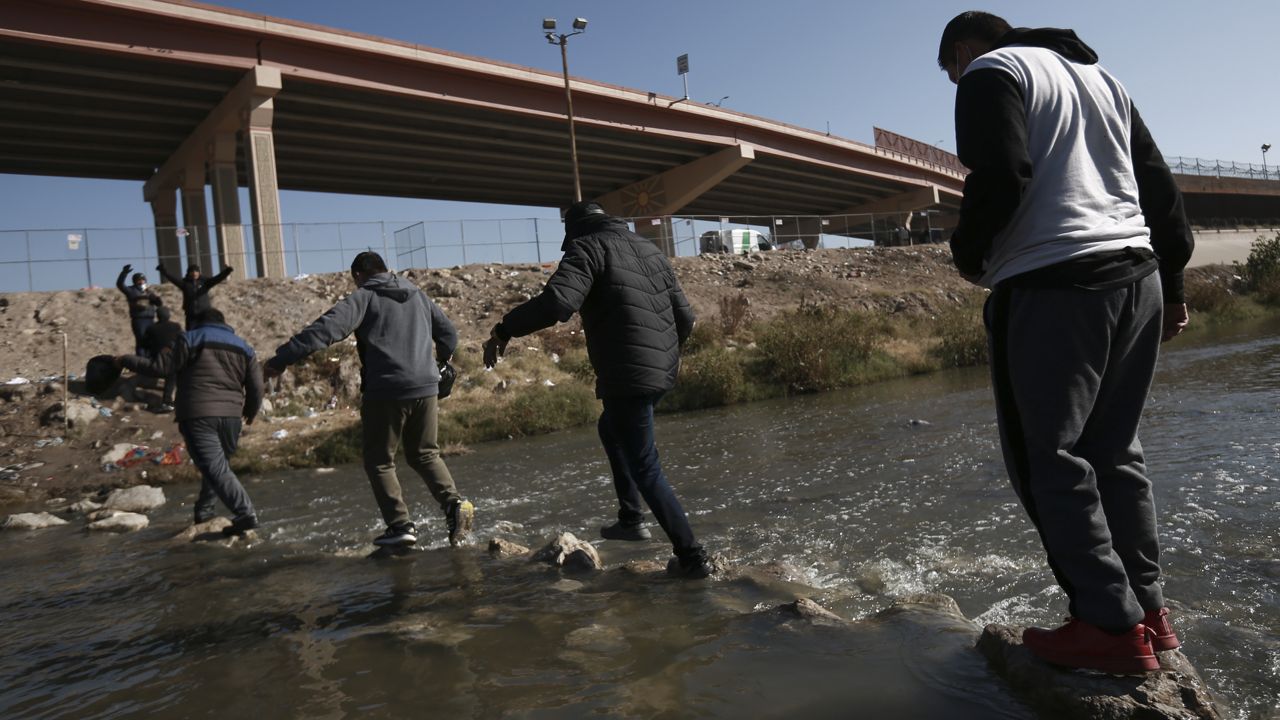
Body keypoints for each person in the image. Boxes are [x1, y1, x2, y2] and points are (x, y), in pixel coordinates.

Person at [938, 11, 1194, 673]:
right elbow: (1160, 189)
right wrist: (1178, 284)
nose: (956, 81)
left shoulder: (993, 71)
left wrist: (968, 255)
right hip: (1137, 279)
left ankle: (1108, 628)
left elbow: (1001, 173)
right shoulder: (1100, 77)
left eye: (951, 71)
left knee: (1049, 458)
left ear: (963, 50)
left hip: (1056, 286)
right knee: (1115, 452)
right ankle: (1150, 614)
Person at [482, 201, 714, 579]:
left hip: (627, 373)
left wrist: (504, 329)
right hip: (661, 370)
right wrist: (664, 357)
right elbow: (685, 318)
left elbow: (558, 302)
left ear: (573, 230)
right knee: (611, 428)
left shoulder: (587, 247)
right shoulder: (649, 249)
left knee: (646, 465)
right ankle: (631, 518)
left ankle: (692, 556)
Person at [261, 251, 473, 549]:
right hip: (426, 388)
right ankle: (454, 504)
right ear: (386, 269)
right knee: (425, 454)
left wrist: (281, 359)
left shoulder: (365, 296)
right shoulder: (417, 295)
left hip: (387, 388)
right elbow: (449, 334)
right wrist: (438, 363)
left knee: (379, 460)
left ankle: (400, 526)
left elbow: (325, 330)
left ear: (359, 275)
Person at [118, 308, 263, 536]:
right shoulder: (243, 346)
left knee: (214, 467)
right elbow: (256, 384)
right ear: (224, 323)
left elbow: (161, 368)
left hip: (199, 413)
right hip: (233, 417)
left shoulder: (189, 338)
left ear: (198, 321)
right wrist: (251, 411)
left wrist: (125, 360)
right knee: (217, 466)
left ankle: (246, 514)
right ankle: (204, 512)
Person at [157, 262, 233, 330]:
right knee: (191, 332)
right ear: (189, 273)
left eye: (196, 271)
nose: (194, 273)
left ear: (199, 272)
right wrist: (163, 271)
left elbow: (217, 278)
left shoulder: (205, 282)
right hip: (191, 315)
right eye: (192, 271)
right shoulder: (185, 283)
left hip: (204, 314)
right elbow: (173, 279)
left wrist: (227, 271)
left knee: (204, 332)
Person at [141, 305, 184, 411]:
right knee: (172, 375)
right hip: (173, 360)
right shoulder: (176, 326)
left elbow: (144, 344)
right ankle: (168, 401)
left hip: (156, 361)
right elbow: (183, 340)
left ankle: (167, 402)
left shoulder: (151, 328)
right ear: (168, 315)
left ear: (158, 316)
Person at [115, 264, 162, 356]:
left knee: (150, 341)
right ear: (135, 281)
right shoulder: (131, 291)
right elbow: (120, 284)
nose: (141, 282)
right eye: (139, 280)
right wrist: (124, 273)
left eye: (142, 280)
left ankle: (150, 360)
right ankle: (141, 360)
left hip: (150, 319)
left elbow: (159, 303)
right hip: (139, 319)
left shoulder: (149, 291)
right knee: (141, 341)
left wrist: (154, 298)